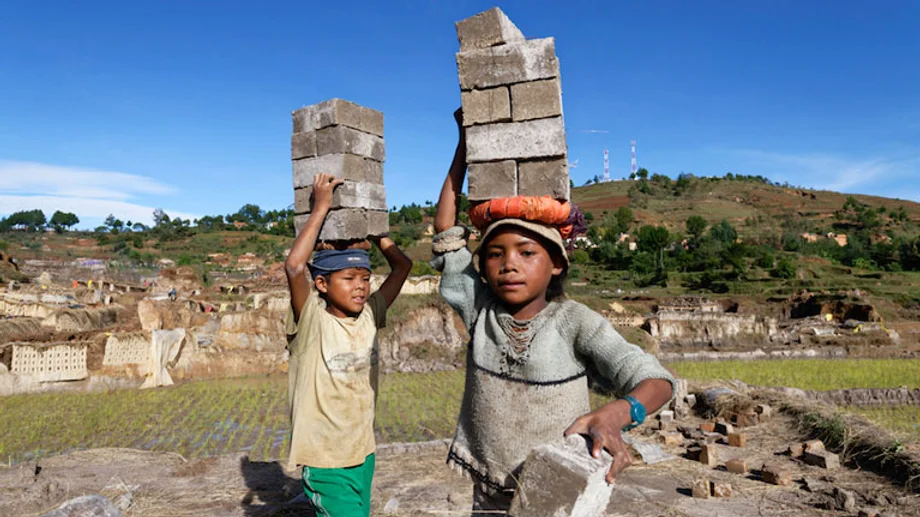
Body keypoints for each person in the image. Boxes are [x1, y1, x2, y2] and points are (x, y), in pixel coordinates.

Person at [432, 110, 676, 513]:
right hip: (489, 491)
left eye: (527, 253)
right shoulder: (481, 311)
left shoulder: (573, 322)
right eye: (495, 254)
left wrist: (617, 412)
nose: (509, 264)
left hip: (557, 492)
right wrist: (465, 146)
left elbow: (656, 381)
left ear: (557, 264)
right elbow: (445, 233)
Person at [284, 172, 412, 517]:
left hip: (362, 453)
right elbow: (295, 267)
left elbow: (403, 266)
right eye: (349, 279)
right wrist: (321, 208)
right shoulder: (312, 321)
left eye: (366, 278)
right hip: (326, 461)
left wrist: (376, 230)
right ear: (323, 284)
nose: (361, 287)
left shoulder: (370, 315)